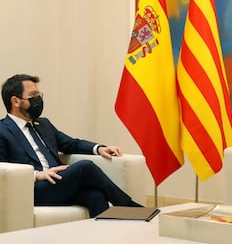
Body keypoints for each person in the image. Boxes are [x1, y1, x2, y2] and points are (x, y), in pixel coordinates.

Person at [0, 74, 143, 217]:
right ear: (15, 101)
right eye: (33, 95)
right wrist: (37, 175)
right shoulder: (3, 130)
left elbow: (71, 144)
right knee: (85, 166)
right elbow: (2, 168)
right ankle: (129, 207)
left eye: (39, 95)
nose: (39, 100)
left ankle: (106, 236)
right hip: (33, 190)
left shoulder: (43, 124)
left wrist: (99, 148)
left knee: (96, 196)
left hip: (59, 182)